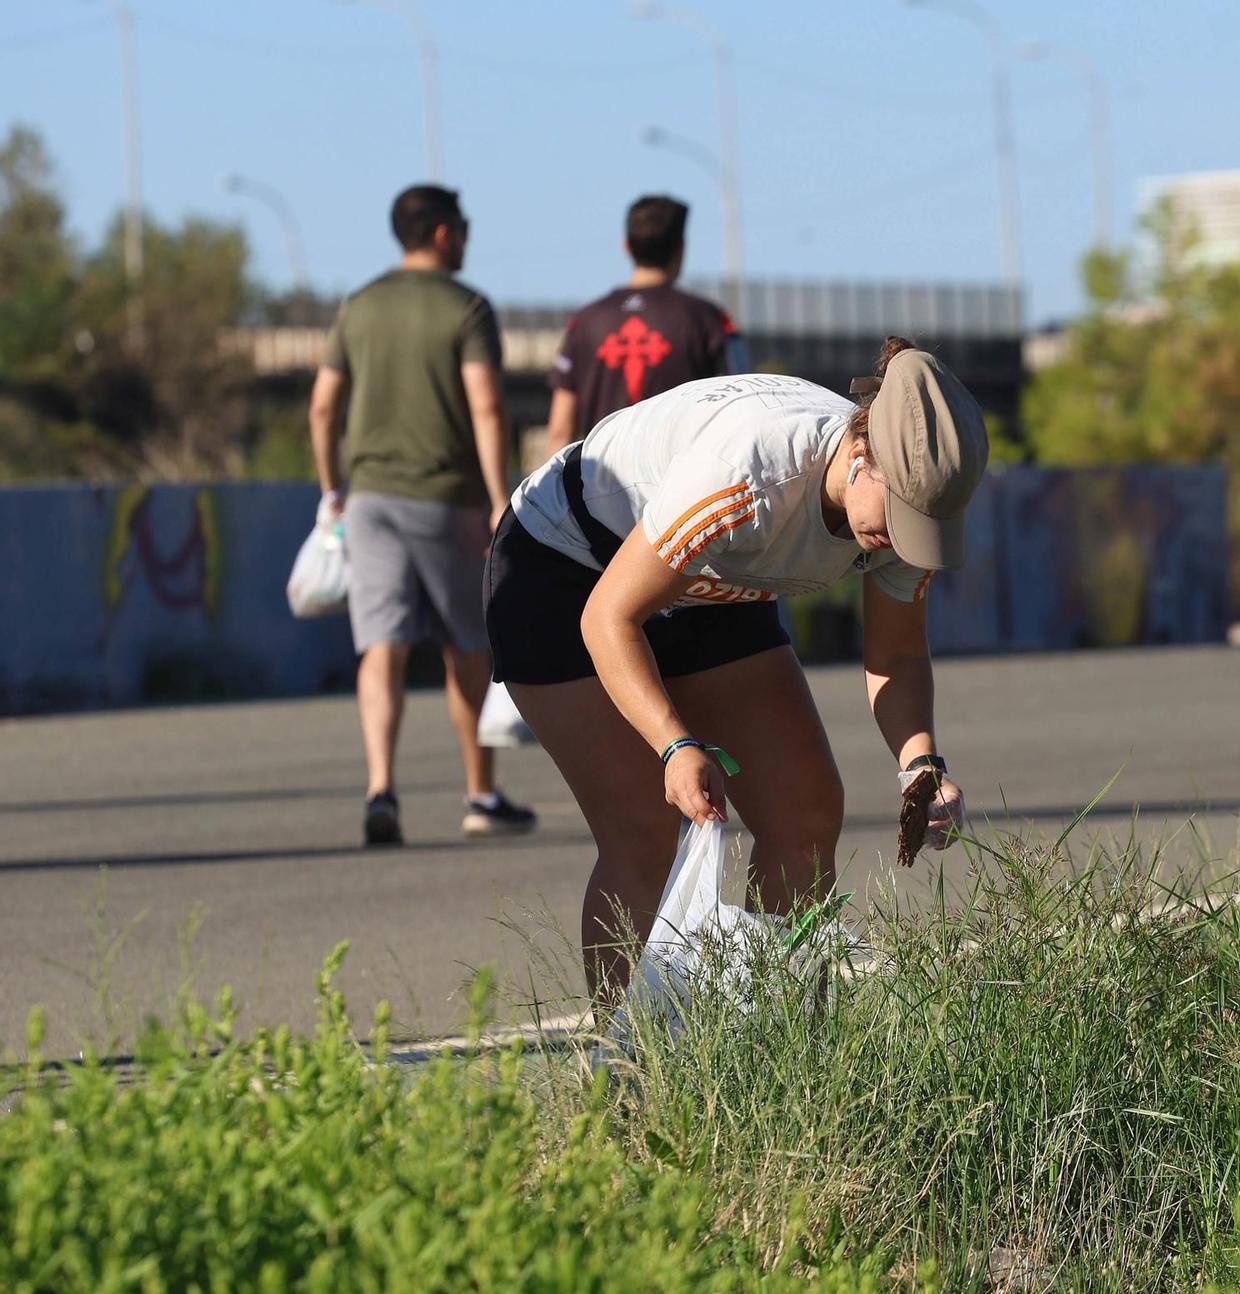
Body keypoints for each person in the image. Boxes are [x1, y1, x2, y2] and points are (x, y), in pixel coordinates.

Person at [484, 337, 985, 1007]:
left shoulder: (907, 508)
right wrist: (674, 744)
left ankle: (770, 1045)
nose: (903, 541)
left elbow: (895, 656)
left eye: (921, 529)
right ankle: (632, 1075)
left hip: (711, 579)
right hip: (572, 572)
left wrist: (922, 765)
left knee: (806, 812)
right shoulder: (749, 476)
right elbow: (610, 618)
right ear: (862, 455)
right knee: (645, 827)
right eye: (898, 519)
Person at [309, 184, 536, 845]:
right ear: (441, 233)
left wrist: (332, 492)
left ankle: (381, 786)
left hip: (370, 498)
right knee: (467, 647)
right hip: (449, 499)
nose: (467, 236)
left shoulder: (359, 305)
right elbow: (488, 408)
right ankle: (480, 794)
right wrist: (500, 497)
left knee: (382, 646)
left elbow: (323, 409)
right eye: (462, 226)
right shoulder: (466, 307)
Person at [543, 195, 742, 461]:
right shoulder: (709, 320)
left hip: (601, 485)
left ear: (626, 247)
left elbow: (560, 430)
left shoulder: (584, 322)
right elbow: (742, 403)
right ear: (681, 248)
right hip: (681, 485)